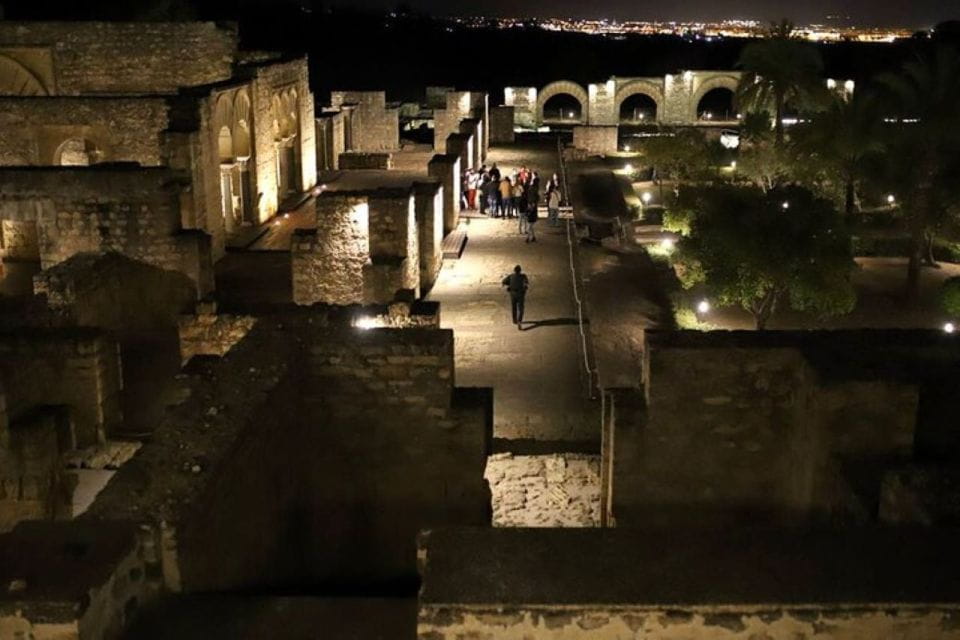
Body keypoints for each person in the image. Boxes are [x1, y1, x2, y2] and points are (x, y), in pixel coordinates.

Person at [501, 264, 529, 329]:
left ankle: (514, 320)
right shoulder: (523, 276)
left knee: (514, 307)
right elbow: (526, 283)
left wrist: (510, 284)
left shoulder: (511, 276)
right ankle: (519, 320)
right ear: (520, 271)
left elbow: (504, 281)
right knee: (521, 308)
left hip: (513, 294)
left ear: (514, 270)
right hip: (520, 294)